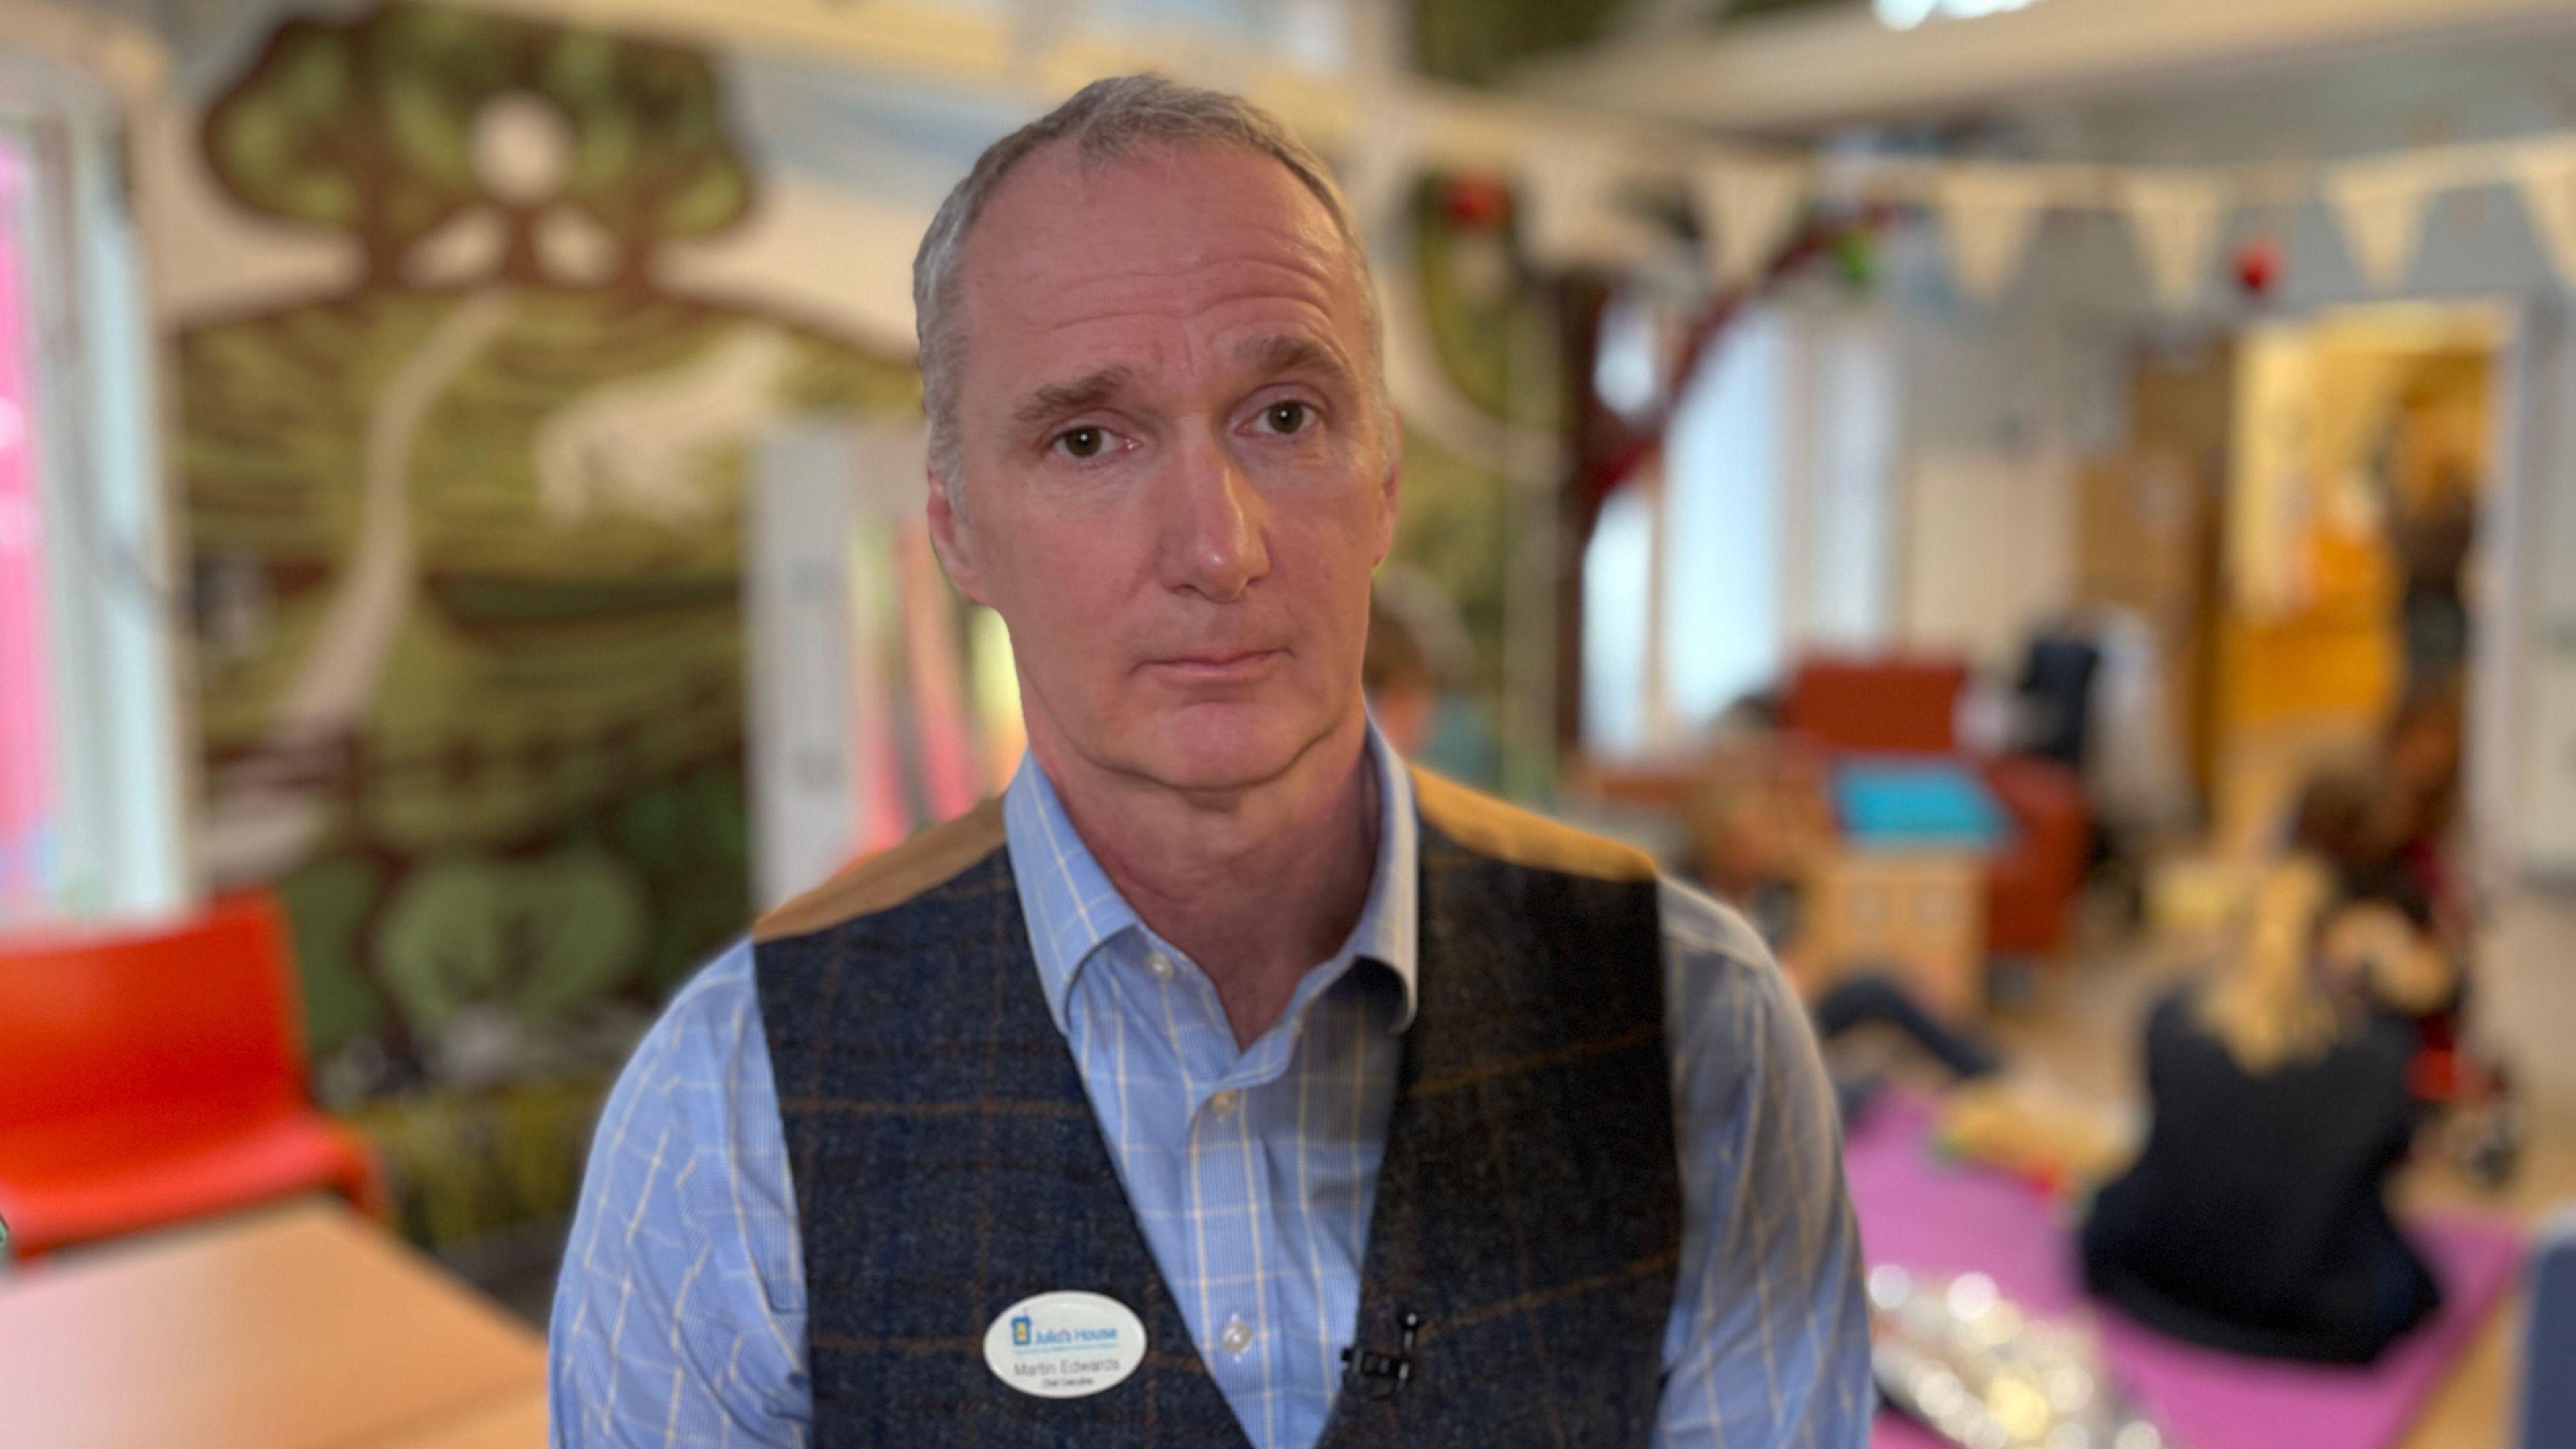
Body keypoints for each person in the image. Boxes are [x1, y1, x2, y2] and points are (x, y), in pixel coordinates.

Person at [549, 75, 1870, 1448]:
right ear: (956, 533)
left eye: (1284, 416)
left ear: (1387, 477)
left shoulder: (1694, 1029)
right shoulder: (732, 1111)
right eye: (1087, 440)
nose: (1216, 548)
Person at [2080, 859, 2441, 1364]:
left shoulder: (2169, 1019)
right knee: (2415, 1278)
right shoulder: (2378, 1051)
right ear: (2339, 943)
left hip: (2159, 1281)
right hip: (2316, 1316)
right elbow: (2398, 1158)